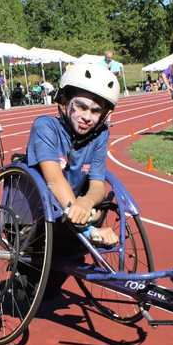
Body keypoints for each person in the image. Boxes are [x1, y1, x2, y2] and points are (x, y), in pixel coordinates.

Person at [24, 62, 120, 300]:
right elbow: (54, 178)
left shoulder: (99, 135)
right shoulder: (45, 126)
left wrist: (86, 203)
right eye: (81, 107)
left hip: (71, 219)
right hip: (36, 220)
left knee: (47, 293)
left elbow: (98, 183)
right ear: (65, 102)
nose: (87, 117)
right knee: (27, 296)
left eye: (96, 111)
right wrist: (83, 219)